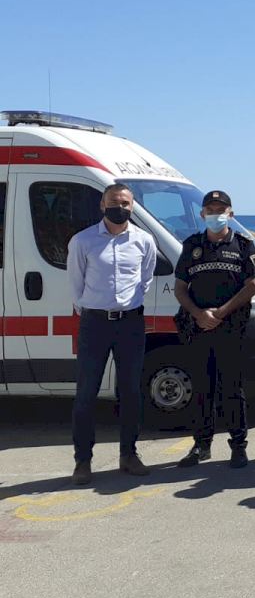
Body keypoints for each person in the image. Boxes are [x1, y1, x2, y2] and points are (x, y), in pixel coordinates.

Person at [67, 183, 157, 484]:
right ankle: (82, 461)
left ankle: (129, 454)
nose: (120, 207)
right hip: (95, 324)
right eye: (114, 202)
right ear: (103, 205)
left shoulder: (144, 241)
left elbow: (145, 279)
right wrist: (93, 307)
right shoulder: (83, 241)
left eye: (126, 203)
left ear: (133, 206)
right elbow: (76, 283)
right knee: (86, 393)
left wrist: (126, 305)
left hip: (130, 323)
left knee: (131, 391)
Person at [174, 190, 255, 469]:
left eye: (220, 210)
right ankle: (201, 445)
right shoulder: (192, 245)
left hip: (230, 328)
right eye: (210, 210)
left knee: (232, 388)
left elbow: (251, 286)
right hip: (199, 327)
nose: (215, 214)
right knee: (201, 388)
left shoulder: (244, 245)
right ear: (202, 214)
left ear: (230, 214)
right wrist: (199, 314)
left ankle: (238, 445)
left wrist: (220, 313)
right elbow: (180, 288)